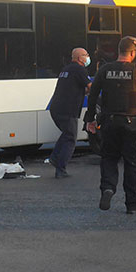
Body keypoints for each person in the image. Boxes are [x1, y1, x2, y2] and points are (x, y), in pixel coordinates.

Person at [84, 36, 136, 214]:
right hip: (132, 123)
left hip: (109, 122)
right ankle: (132, 204)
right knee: (132, 162)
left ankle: (108, 188)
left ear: (118, 52)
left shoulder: (105, 69)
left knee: (109, 158)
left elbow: (92, 95)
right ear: (132, 53)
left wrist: (89, 119)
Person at [47, 48, 92, 178]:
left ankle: (55, 157)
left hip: (57, 108)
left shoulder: (66, 69)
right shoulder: (79, 69)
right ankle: (60, 168)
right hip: (67, 110)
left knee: (67, 134)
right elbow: (90, 86)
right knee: (71, 139)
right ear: (79, 58)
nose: (88, 57)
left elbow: (72, 89)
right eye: (86, 55)